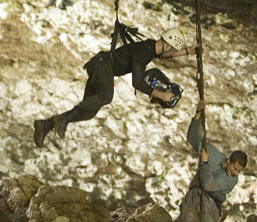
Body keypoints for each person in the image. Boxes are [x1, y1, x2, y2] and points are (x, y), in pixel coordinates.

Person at [33, 28, 197, 147]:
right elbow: (137, 82)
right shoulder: (143, 52)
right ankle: (62, 120)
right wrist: (162, 96)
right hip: (104, 67)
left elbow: (163, 55)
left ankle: (45, 125)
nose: (171, 51)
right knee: (105, 97)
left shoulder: (150, 46)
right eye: (173, 48)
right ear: (168, 45)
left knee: (89, 111)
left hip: (101, 65)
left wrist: (187, 52)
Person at [179, 100, 248, 222]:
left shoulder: (231, 182)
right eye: (234, 168)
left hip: (210, 204)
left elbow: (209, 184)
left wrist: (205, 163)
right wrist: (198, 114)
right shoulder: (216, 156)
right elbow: (194, 138)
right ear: (228, 161)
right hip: (194, 198)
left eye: (239, 171)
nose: (235, 173)